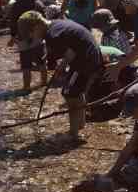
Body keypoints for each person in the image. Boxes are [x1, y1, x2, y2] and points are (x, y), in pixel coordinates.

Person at [19, 11, 103, 142]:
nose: (32, 37)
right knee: (76, 91)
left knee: (69, 94)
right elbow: (71, 44)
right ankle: (80, 124)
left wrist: (61, 67)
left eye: (31, 33)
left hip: (85, 62)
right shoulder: (56, 24)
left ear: (36, 26)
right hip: (92, 55)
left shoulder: (53, 35)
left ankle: (73, 134)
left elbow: (71, 53)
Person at [8, 0, 47, 93]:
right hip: (38, 38)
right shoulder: (38, 4)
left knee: (26, 66)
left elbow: (13, 23)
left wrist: (12, 37)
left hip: (23, 39)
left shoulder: (16, 6)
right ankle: (44, 83)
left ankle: (26, 88)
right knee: (42, 63)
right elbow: (44, 20)